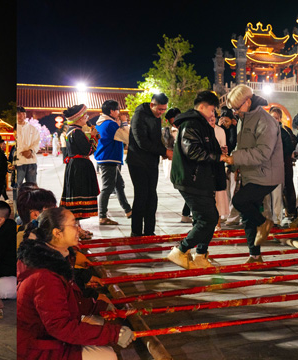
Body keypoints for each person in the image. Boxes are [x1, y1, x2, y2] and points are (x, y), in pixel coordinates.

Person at [17, 207, 134, 360]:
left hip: (43, 334)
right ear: (57, 233)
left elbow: (68, 301)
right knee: (107, 356)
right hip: (35, 347)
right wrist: (114, 334)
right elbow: (60, 326)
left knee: (98, 323)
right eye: (73, 225)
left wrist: (99, 306)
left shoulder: (54, 257)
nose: (79, 229)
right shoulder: (45, 276)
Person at [220, 85, 283, 262]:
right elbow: (242, 146)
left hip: (266, 174)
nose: (234, 112)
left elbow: (263, 152)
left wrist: (234, 159)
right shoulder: (243, 118)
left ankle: (264, 223)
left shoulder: (265, 121)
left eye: (236, 108)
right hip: (250, 173)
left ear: (247, 102)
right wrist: (233, 163)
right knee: (248, 215)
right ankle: (254, 255)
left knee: (240, 201)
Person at [165, 91, 225, 269]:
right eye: (212, 110)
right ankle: (181, 250)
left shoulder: (201, 124)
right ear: (202, 106)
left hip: (202, 178)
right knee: (208, 219)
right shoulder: (191, 124)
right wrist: (219, 157)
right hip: (192, 179)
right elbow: (192, 151)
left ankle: (200, 255)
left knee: (206, 219)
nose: (213, 114)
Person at [127, 93, 171, 237]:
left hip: (151, 161)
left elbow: (156, 139)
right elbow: (142, 142)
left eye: (164, 110)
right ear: (152, 105)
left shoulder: (157, 118)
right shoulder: (139, 116)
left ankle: (149, 231)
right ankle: (136, 231)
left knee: (152, 196)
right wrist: (163, 151)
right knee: (141, 196)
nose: (162, 113)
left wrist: (163, 152)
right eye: (160, 109)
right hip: (137, 162)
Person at [94, 100, 132, 225]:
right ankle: (102, 216)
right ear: (111, 111)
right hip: (108, 158)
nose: (119, 112)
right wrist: (124, 122)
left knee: (119, 185)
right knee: (107, 188)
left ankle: (128, 210)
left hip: (107, 158)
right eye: (117, 110)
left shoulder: (101, 123)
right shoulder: (110, 124)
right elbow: (126, 137)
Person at [60, 104, 99, 225]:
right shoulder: (77, 132)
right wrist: (93, 137)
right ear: (79, 118)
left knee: (76, 195)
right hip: (79, 167)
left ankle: (77, 227)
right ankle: (76, 227)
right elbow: (88, 150)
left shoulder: (72, 131)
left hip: (75, 165)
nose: (87, 118)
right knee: (79, 196)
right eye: (85, 116)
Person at [15, 106, 41, 201]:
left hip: (31, 161)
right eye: (18, 113)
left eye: (23, 113)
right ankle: (18, 208)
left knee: (32, 187)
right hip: (18, 163)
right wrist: (21, 151)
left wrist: (31, 151)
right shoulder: (13, 128)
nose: (21, 115)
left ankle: (32, 205)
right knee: (17, 187)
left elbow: (37, 142)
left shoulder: (32, 129)